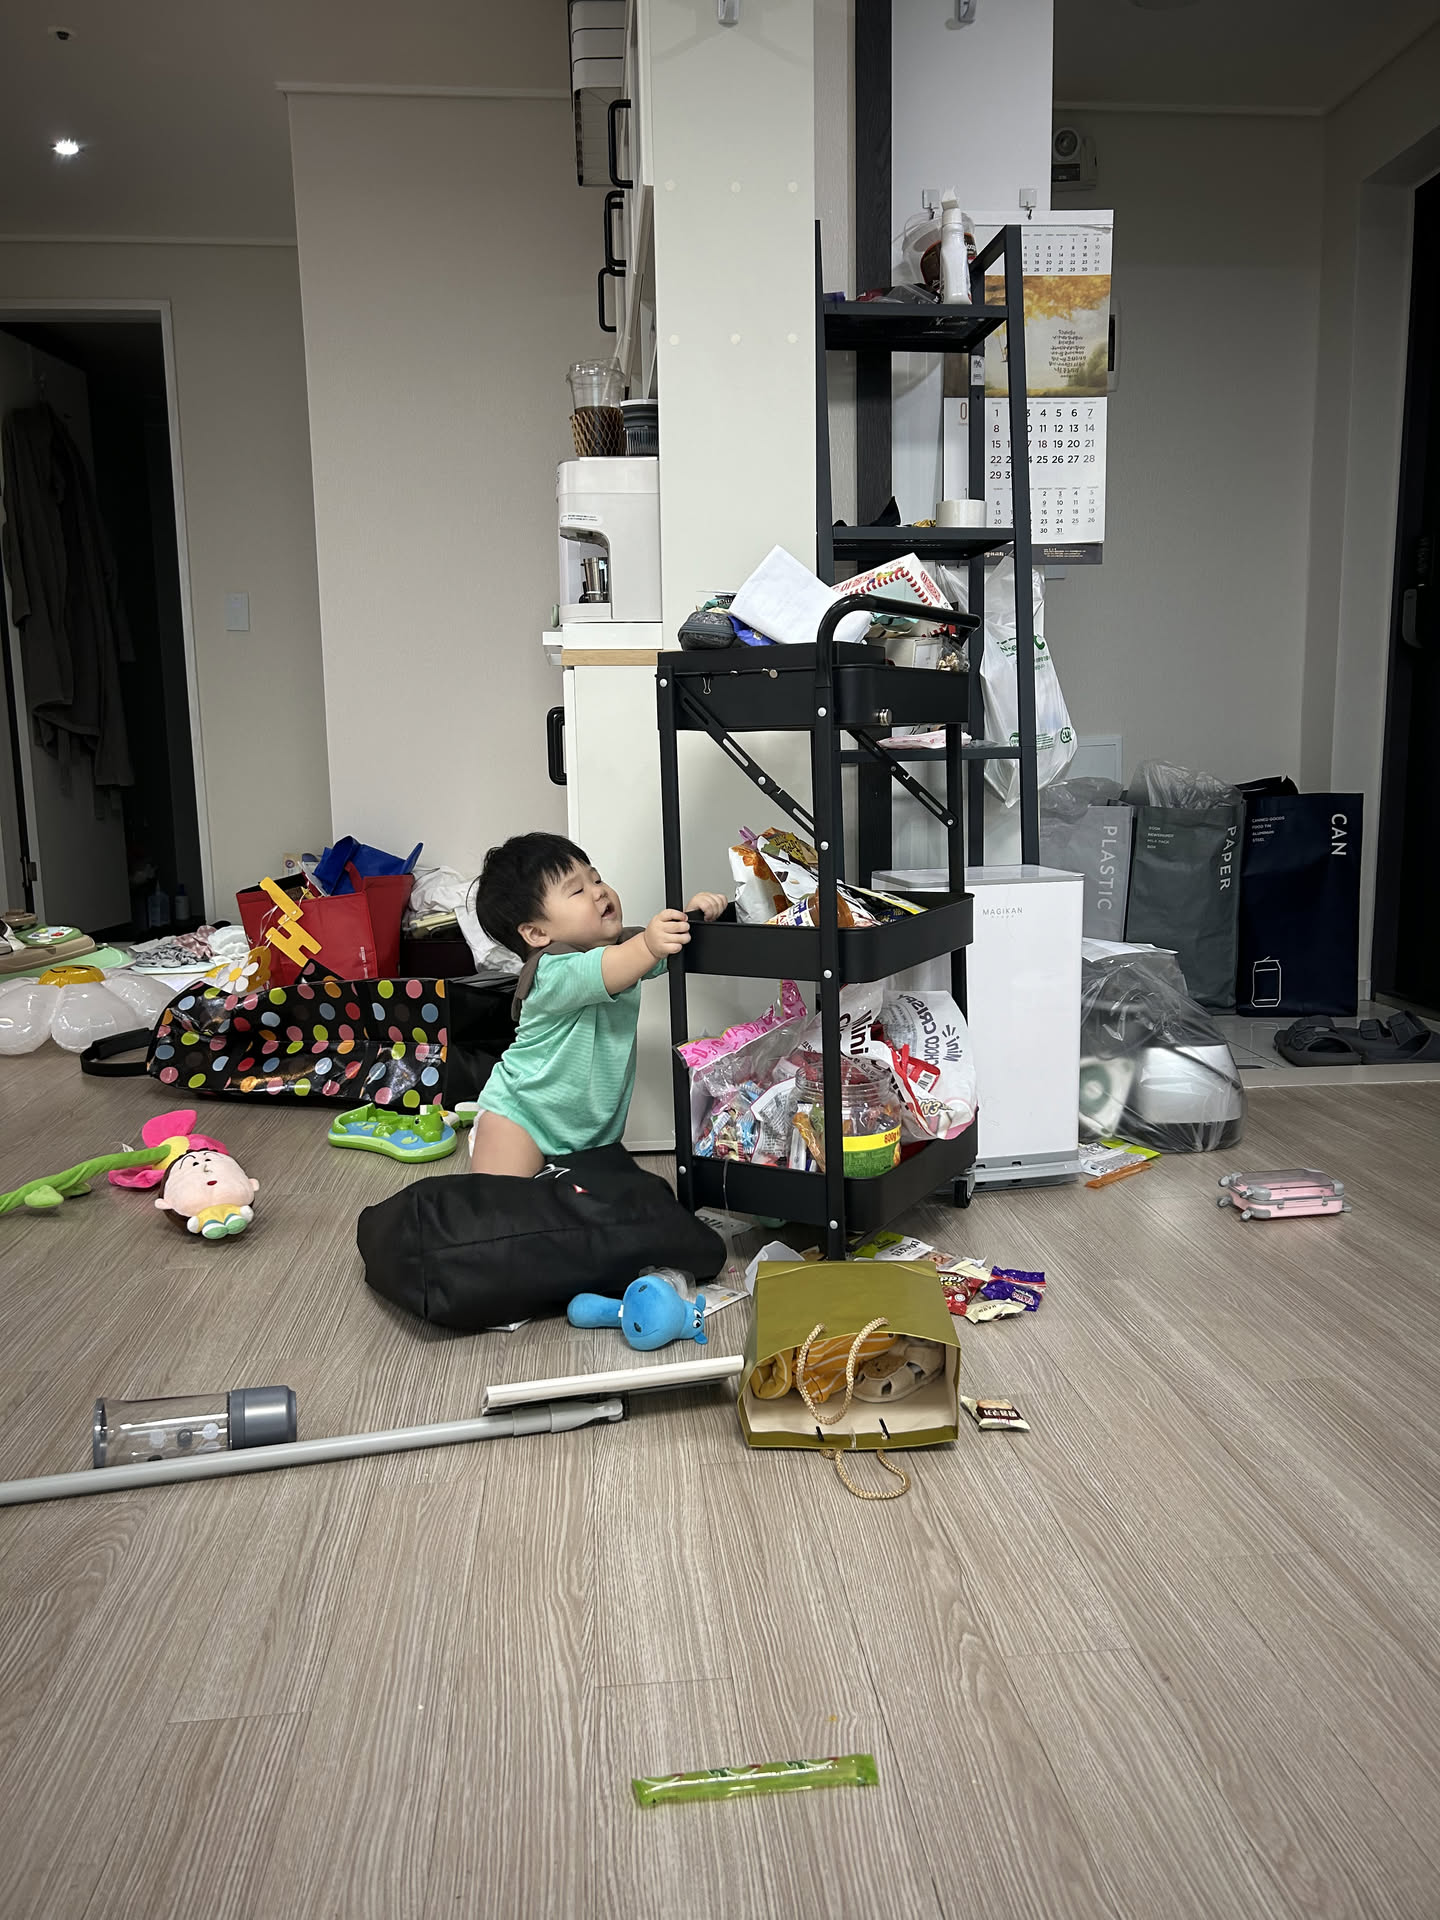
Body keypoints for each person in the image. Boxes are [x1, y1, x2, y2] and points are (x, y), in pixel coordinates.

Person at [468, 833, 725, 1176]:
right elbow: (615, 965)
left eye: (597, 878)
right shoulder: (550, 972)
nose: (599, 891)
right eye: (577, 890)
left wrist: (691, 920)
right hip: (520, 1118)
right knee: (505, 1199)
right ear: (537, 934)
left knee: (580, 1201)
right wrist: (650, 944)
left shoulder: (625, 950)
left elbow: (662, 951)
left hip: (590, 1135)